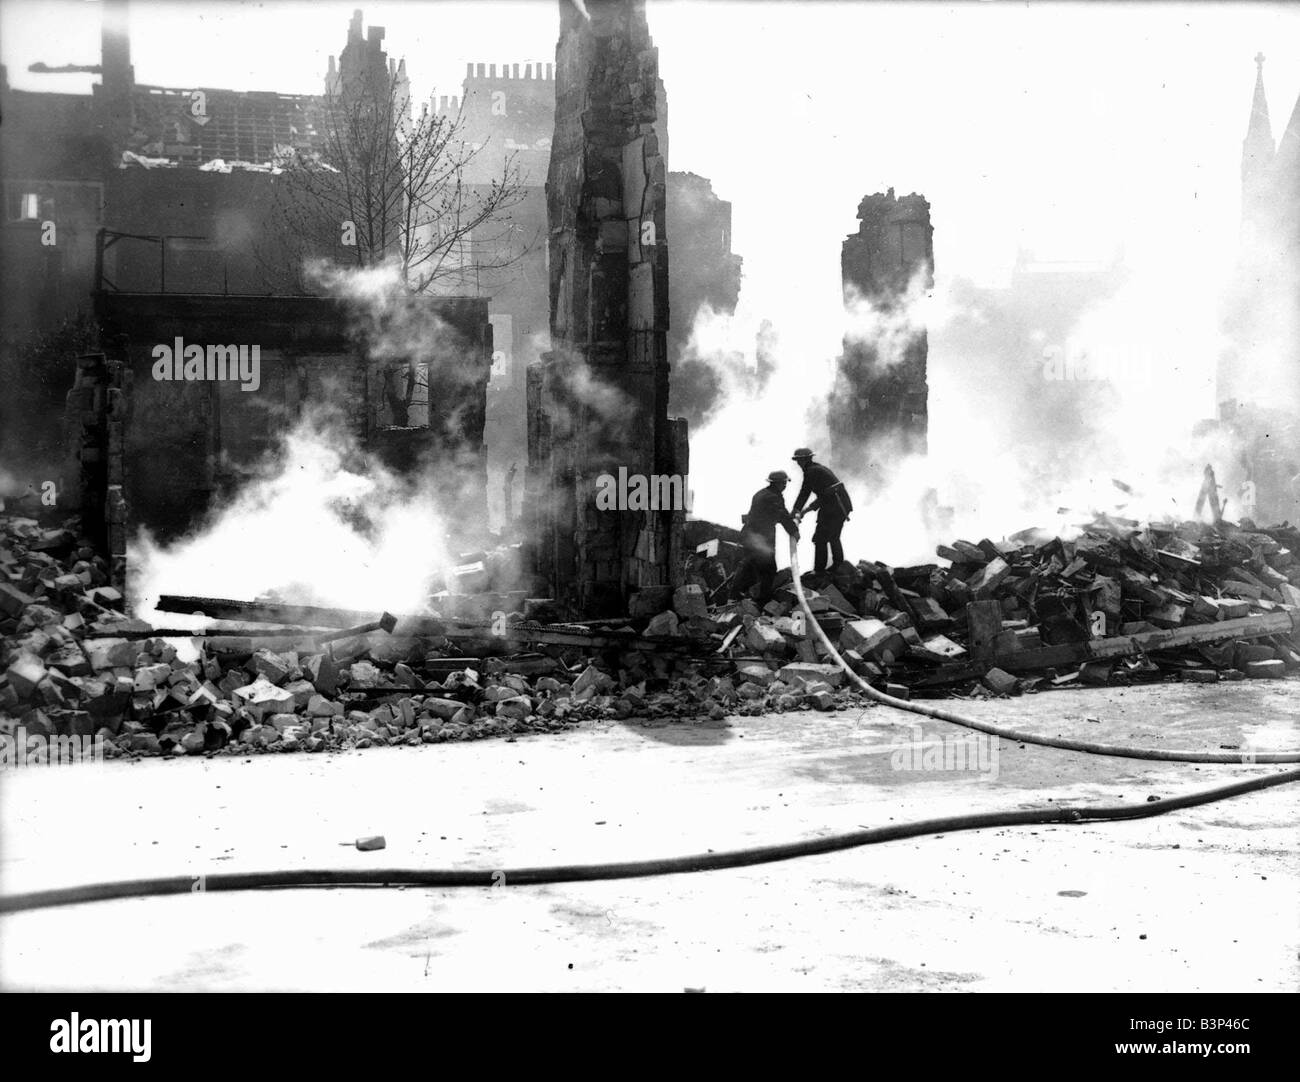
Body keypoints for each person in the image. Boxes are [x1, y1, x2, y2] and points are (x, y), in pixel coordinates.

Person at [733, 470, 799, 604]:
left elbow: (780, 512)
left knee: (749, 565)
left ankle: (736, 595)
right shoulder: (773, 497)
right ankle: (764, 601)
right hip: (761, 538)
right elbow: (781, 515)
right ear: (778, 484)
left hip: (749, 535)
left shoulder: (762, 493)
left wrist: (791, 518)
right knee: (768, 570)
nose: (785, 486)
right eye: (784, 483)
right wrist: (793, 531)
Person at [790, 447, 853, 575]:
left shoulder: (812, 471)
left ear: (804, 460)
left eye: (799, 460)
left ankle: (820, 570)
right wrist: (799, 510)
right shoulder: (816, 469)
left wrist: (800, 510)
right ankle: (837, 565)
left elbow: (805, 493)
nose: (798, 463)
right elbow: (820, 495)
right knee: (832, 536)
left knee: (821, 538)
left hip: (835, 506)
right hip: (835, 506)